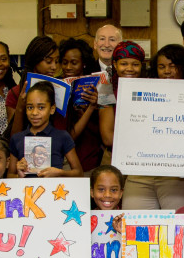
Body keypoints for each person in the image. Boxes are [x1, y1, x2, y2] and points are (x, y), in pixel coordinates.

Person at [121, 44, 184, 212]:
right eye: (161, 67)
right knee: (136, 230)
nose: (167, 71)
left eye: (172, 66)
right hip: (139, 174)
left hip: (176, 177)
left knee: (178, 231)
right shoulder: (141, 94)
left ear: (183, 68)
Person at [9, 81, 82, 178]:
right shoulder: (17, 138)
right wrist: (19, 175)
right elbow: (9, 175)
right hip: (26, 192)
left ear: (52, 109)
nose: (34, 113)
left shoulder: (62, 136)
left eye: (41, 107)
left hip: (54, 191)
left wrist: (60, 173)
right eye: (30, 107)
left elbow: (79, 173)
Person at [58, 38, 103, 173]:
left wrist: (92, 108)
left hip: (89, 159)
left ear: (83, 64)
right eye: (64, 63)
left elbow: (102, 132)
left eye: (74, 63)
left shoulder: (97, 86)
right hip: (63, 161)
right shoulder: (58, 87)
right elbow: (66, 135)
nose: (68, 67)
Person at [97, 41, 145, 163]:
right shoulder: (106, 89)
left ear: (142, 65)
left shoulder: (149, 89)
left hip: (144, 158)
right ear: (115, 64)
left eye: (135, 64)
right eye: (124, 64)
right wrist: (145, 139)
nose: (129, 69)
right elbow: (107, 138)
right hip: (113, 157)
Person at [6, 36, 59, 135]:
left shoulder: (58, 89)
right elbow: (13, 137)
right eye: (48, 61)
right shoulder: (16, 93)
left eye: (56, 61)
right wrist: (20, 107)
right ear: (35, 60)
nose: (54, 67)